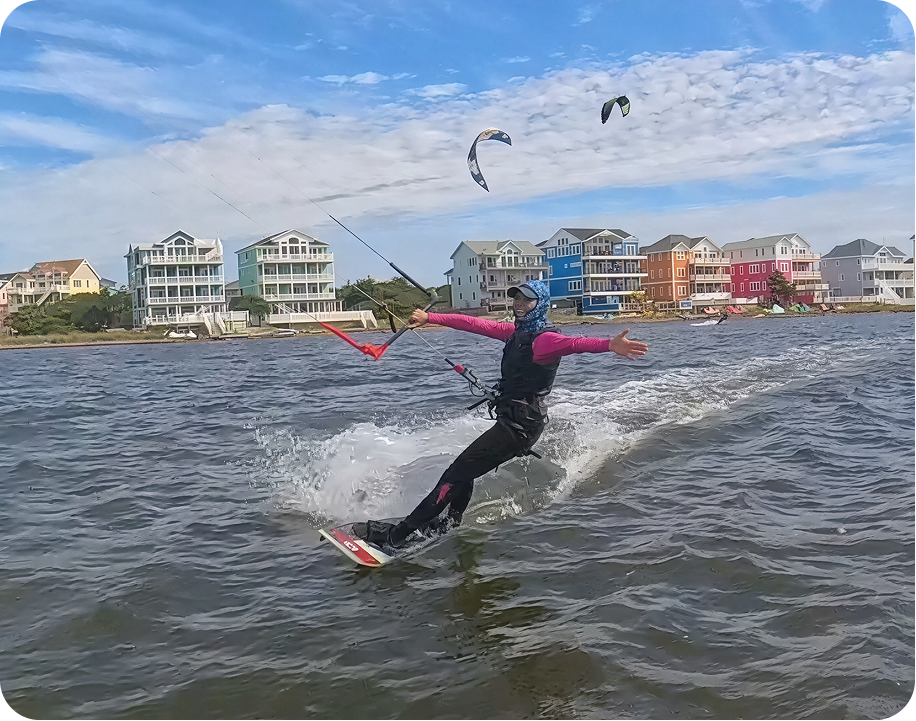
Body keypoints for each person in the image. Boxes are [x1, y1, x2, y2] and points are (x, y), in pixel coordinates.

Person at [353, 279, 648, 549]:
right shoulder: (515, 333)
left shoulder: (544, 339)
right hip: (514, 421)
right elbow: (473, 323)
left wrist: (609, 345)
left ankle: (397, 536)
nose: (519, 303)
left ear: (540, 304)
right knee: (464, 471)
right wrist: (431, 318)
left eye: (527, 299)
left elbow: (575, 344)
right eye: (516, 298)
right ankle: (448, 524)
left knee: (454, 475)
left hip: (520, 427)